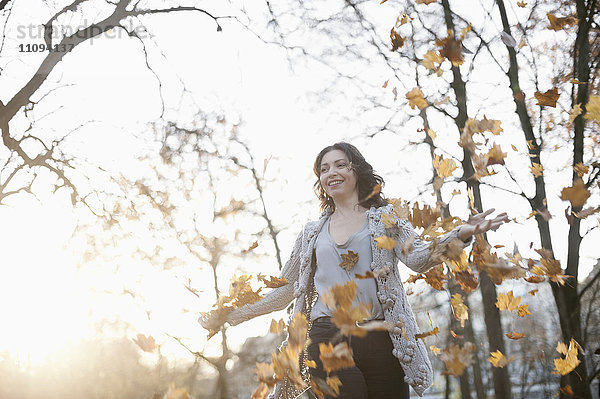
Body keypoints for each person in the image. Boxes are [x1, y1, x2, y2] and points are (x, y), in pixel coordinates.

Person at [201, 142, 509, 399]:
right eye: (324, 169)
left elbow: (418, 257)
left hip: (381, 338)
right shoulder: (311, 233)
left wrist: (460, 235)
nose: (331, 172)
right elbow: (285, 290)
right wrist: (232, 314)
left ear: (356, 171)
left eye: (340, 165)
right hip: (326, 336)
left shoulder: (385, 220)